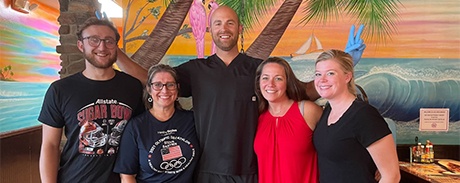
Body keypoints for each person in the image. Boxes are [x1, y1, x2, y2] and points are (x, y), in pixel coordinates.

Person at [116, 6, 365, 182]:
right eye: (218, 23)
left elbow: (303, 92)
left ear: (239, 28)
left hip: (251, 171)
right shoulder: (195, 70)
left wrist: (343, 64)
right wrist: (116, 54)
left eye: (230, 23)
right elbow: (151, 79)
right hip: (207, 171)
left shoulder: (259, 68)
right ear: (210, 30)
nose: (224, 29)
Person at [38, 17, 145, 183]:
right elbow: (50, 145)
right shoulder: (60, 90)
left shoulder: (132, 87)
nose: (102, 47)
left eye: (109, 41)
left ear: (116, 47)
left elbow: (140, 135)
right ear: (81, 45)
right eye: (93, 40)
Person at [312, 49, 400, 183]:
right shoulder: (328, 110)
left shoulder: (364, 115)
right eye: (318, 74)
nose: (322, 80)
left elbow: (391, 176)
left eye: (330, 73)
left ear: (347, 77)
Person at [113, 64, 199, 182]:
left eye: (170, 85)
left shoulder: (191, 120)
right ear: (149, 89)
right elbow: (127, 176)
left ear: (177, 89)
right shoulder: (136, 127)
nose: (164, 90)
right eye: (157, 85)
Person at [254, 57, 323, 183]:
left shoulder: (307, 111)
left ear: (287, 83)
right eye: (265, 78)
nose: (271, 84)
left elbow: (336, 145)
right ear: (258, 83)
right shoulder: (256, 117)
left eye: (278, 78)